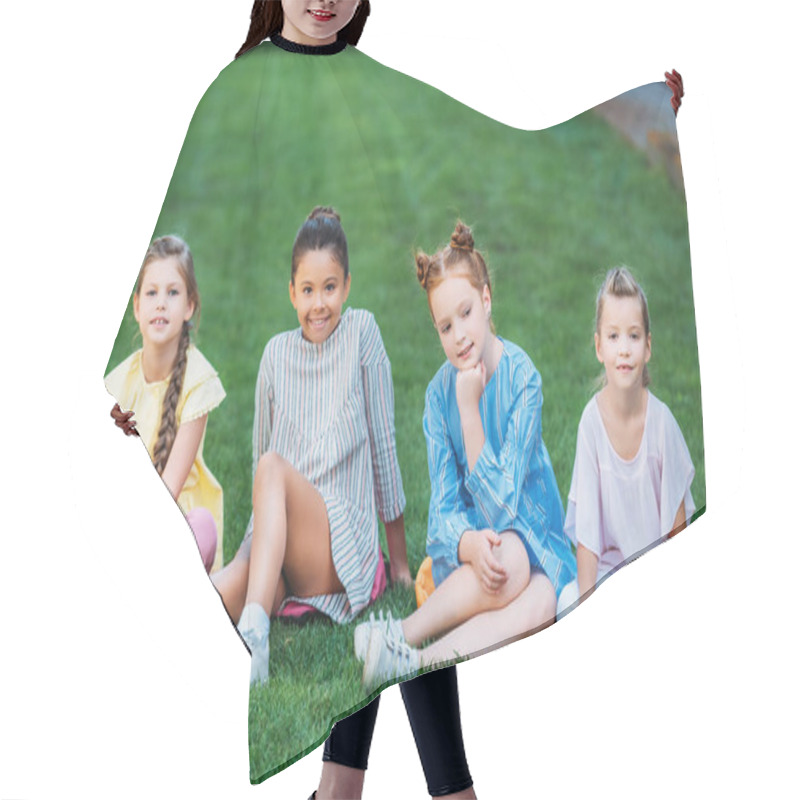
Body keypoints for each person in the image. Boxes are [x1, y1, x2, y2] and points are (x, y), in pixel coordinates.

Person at [356, 221, 576, 689]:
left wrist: (470, 412)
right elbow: (442, 513)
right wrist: (467, 544)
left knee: (541, 605)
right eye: (445, 326)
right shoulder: (438, 396)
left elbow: (505, 507)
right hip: (481, 554)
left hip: (537, 539)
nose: (458, 335)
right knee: (504, 559)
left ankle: (409, 660)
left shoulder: (522, 380)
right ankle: (399, 634)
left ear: (488, 299)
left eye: (466, 312)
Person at [555, 267, 695, 612]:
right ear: (599, 346)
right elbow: (587, 542)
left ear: (648, 346)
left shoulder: (662, 425)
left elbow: (679, 535)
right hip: (608, 577)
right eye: (614, 337)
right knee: (568, 600)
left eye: (633, 336)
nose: (624, 349)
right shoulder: (591, 423)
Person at [105, 235, 224, 573]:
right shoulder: (116, 385)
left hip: (175, 523)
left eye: (173, 292)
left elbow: (168, 491)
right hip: (129, 519)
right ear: (137, 306)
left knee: (201, 525)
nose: (161, 303)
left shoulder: (197, 380)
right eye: (152, 292)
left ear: (189, 306)